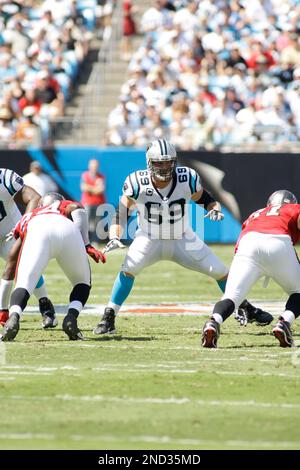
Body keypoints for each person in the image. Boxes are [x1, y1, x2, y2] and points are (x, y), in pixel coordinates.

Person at [93, 139, 272, 335]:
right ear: (149, 163)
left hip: (183, 238)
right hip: (149, 238)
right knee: (129, 269)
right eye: (159, 162)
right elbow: (122, 211)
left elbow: (207, 199)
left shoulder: (186, 177)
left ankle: (244, 306)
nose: (165, 166)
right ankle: (109, 316)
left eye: (168, 162)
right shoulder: (137, 182)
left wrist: (214, 210)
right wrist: (114, 235)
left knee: (221, 271)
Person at [0, 192, 106, 342]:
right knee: (82, 282)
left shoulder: (29, 216)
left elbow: (14, 253)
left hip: (37, 231)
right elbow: (77, 208)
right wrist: (86, 244)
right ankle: (71, 318)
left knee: (24, 284)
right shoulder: (61, 205)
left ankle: (14, 316)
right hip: (67, 228)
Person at [202, 190, 300, 348]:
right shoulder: (294, 208)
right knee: (298, 291)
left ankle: (213, 322)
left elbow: (240, 243)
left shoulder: (256, 214)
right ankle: (284, 322)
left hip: (247, 245)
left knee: (232, 297)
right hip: (278, 241)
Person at [0, 168, 56, 328]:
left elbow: (34, 197)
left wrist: (22, 224)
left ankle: (46, 306)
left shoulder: (5, 178)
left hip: (10, 233)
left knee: (27, 268)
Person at [80, 159, 106, 244]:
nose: (94, 168)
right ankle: (85, 241)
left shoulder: (101, 176)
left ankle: (95, 241)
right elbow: (83, 187)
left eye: (95, 166)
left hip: (98, 203)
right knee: (86, 223)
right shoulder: (85, 175)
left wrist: (90, 188)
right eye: (92, 166)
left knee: (97, 223)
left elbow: (101, 189)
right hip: (88, 203)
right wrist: (95, 188)